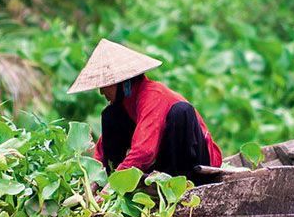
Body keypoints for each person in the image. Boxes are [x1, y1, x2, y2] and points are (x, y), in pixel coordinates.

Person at [68, 39, 223, 183]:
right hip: (165, 163)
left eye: (105, 85)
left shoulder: (152, 95)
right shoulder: (125, 104)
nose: (102, 92)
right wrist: (94, 179)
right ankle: (115, 176)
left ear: (123, 83)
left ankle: (179, 182)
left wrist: (114, 186)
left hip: (196, 163)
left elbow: (145, 151)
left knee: (181, 111)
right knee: (110, 116)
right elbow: (102, 150)